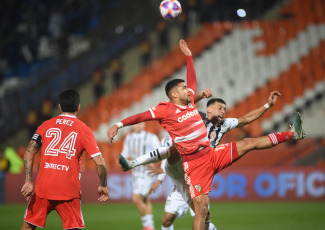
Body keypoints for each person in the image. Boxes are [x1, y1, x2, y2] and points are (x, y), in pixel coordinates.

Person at [107, 39, 305, 230]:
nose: (189, 89)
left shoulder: (191, 102)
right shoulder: (165, 110)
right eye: (183, 88)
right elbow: (141, 116)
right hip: (194, 164)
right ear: (174, 94)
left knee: (247, 142)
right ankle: (134, 164)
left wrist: (189, 57)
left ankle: (292, 135)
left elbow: (192, 80)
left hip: (211, 154)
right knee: (202, 210)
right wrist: (119, 124)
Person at [21, 89, 109, 230]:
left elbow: (29, 152)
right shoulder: (84, 130)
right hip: (68, 190)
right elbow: (100, 162)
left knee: (28, 227)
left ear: (60, 107)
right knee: (73, 228)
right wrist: (103, 185)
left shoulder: (45, 125)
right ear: (78, 107)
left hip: (43, 188)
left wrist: (28, 181)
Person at [120, 122, 161, 230]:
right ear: (132, 125)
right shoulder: (129, 138)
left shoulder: (151, 137)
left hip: (147, 172)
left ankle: (147, 226)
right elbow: (124, 153)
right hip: (135, 172)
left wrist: (154, 164)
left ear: (144, 125)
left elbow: (160, 152)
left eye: (140, 123)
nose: (137, 125)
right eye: (135, 124)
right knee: (145, 199)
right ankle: (150, 226)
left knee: (136, 198)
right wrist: (122, 160)